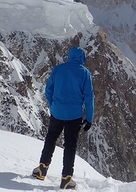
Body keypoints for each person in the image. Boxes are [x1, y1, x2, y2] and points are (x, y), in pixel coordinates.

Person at [32, 47, 94, 190]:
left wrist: (53, 106)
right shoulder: (85, 73)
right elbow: (89, 97)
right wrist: (89, 118)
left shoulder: (58, 69)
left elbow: (48, 90)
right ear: (81, 58)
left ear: (69, 56)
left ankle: (42, 169)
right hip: (75, 115)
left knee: (51, 138)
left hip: (57, 112)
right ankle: (66, 178)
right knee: (70, 145)